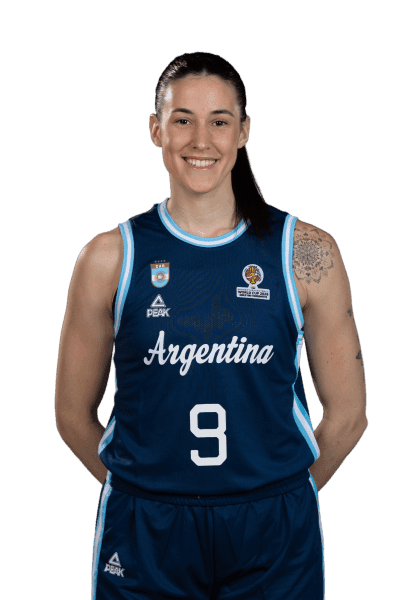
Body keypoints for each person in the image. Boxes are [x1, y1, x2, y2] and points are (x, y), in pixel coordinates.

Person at [55, 51, 368, 600]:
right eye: (183, 120)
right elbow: (71, 415)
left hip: (273, 528)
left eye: (219, 121)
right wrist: (142, 490)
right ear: (156, 129)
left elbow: (348, 417)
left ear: (243, 131)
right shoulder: (108, 258)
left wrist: (278, 493)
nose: (201, 140)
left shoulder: (306, 252)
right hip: (147, 528)